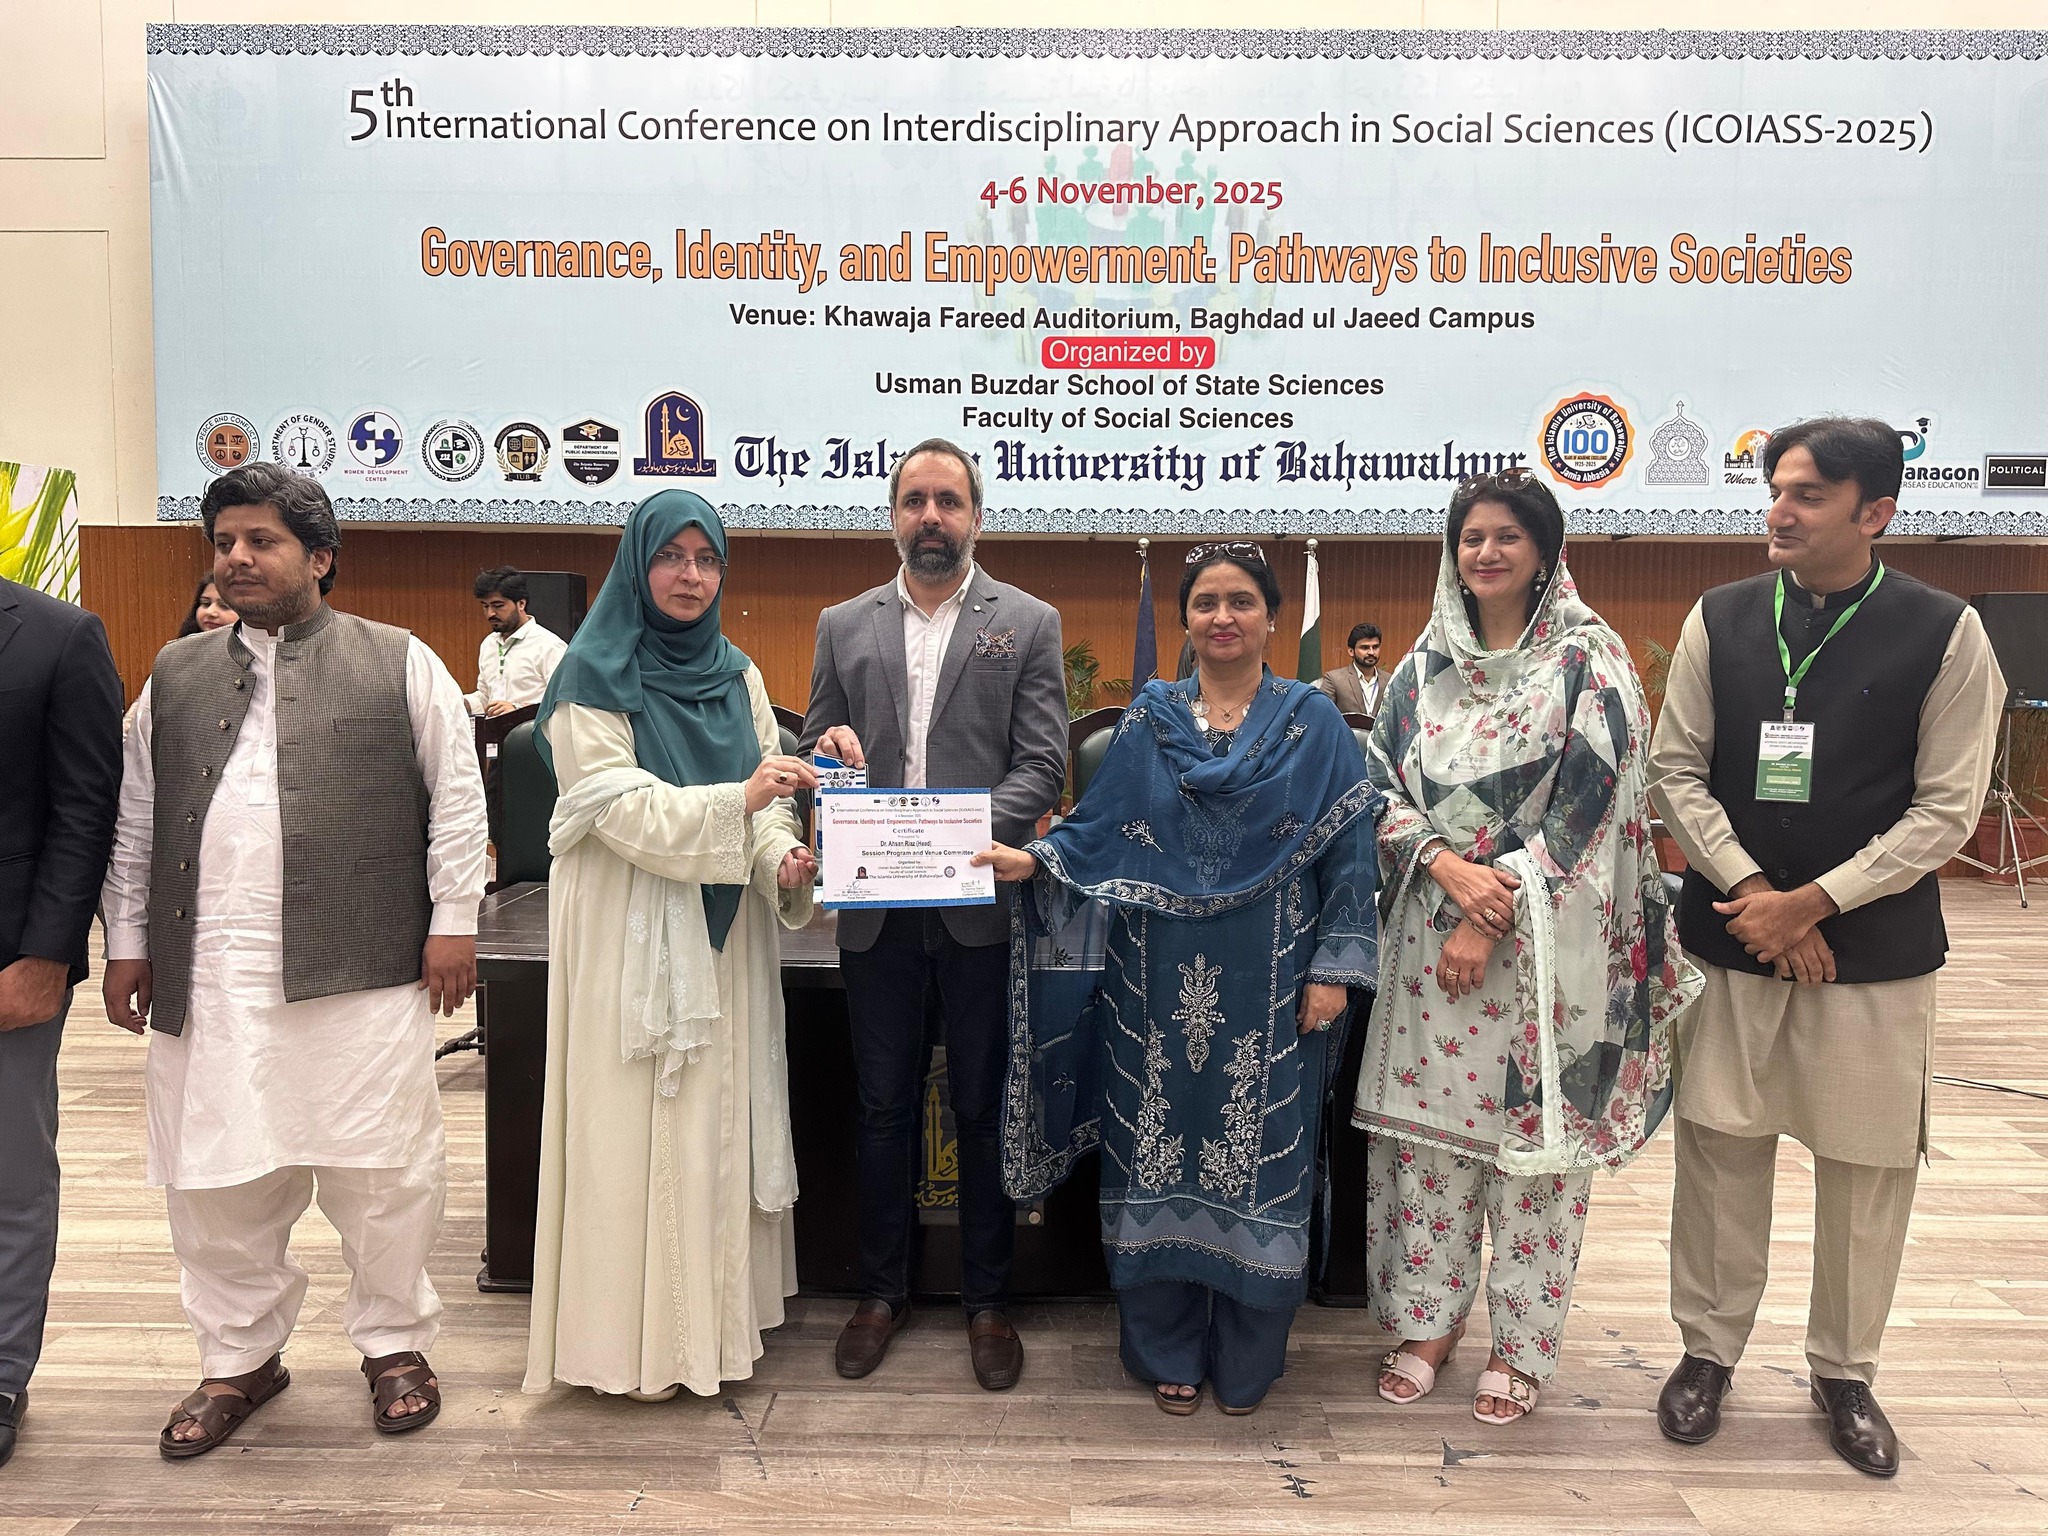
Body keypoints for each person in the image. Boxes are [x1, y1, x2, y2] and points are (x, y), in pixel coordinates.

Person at [100, 462, 488, 1459]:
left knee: (382, 1168)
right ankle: (238, 1356)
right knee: (215, 1174)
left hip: (365, 965)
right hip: (211, 972)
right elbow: (134, 822)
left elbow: (456, 800)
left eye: (260, 541)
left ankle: (393, 1343)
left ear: (319, 557)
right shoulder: (174, 674)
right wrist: (128, 943)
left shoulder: (397, 659)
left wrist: (454, 921)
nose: (236, 558)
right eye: (224, 542)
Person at [1648, 417, 2004, 1478]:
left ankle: (1844, 1372)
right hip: (1733, 935)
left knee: (1865, 1164)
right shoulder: (1720, 616)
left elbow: (1947, 812)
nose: (1780, 510)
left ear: (1875, 512)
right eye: (1775, 489)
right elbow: (1674, 772)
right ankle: (1706, 1353)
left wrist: (1814, 903)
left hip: (1873, 951)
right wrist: (1758, 894)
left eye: (1806, 494)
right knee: (1719, 1150)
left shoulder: (1946, 631)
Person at [979, 542, 1379, 1415]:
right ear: (1186, 618)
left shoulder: (1314, 724)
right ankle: (1165, 1345)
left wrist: (1334, 970)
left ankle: (1246, 1356)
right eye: (1205, 603)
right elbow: (1096, 831)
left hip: (1276, 981)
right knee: (1152, 1147)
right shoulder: (1149, 721)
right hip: (1153, 981)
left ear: (1271, 617)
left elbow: (1350, 854)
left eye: (1241, 601)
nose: (1222, 617)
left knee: (1263, 1154)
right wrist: (1033, 861)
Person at [1353, 471, 1699, 1426]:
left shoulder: (1589, 660)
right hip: (1428, 938)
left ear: (1545, 550)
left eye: (1507, 535)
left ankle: (1522, 1343)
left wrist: (1487, 908)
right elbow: (1374, 788)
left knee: (1536, 1153)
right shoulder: (1423, 667)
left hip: (1550, 950)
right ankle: (1428, 1322)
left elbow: (1592, 808)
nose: (1486, 552)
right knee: (1428, 1143)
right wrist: (1441, 866)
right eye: (1471, 537)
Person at [523, 490, 818, 1402]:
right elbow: (615, 808)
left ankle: (712, 1334)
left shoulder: (739, 674)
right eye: (671, 557)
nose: (691, 576)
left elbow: (768, 803)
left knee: (715, 1121)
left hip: (724, 935)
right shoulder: (589, 673)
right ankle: (631, 1348)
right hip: (632, 931)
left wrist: (782, 857)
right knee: (632, 1128)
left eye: (707, 559)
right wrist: (744, 804)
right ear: (636, 563)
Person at [798, 437, 1066, 1391]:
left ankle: (987, 1301)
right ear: (893, 516)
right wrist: (827, 758)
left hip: (978, 904)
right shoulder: (843, 624)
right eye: (915, 500)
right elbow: (815, 750)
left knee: (983, 1106)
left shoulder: (1027, 623)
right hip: (875, 911)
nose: (931, 517)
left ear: (976, 517)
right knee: (881, 1106)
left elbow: (1042, 766)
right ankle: (882, 1293)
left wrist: (948, 834)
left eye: (948, 501)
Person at [0, 577, 122, 1470]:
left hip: (7, 960)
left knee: (9, 1176)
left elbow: (86, 809)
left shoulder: (59, 635)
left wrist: (48, 954)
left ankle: (2, 1372)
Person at [464, 566, 566, 718]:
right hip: (494, 730)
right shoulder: (488, 644)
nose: (490, 613)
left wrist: (517, 708)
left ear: (521, 604)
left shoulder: (549, 645)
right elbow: (485, 696)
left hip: (531, 731)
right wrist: (460, 703)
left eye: (498, 606)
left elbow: (562, 701)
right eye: (485, 606)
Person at [1315, 622, 1388, 717]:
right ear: (1351, 651)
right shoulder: (1334, 679)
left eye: (1375, 647)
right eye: (1365, 648)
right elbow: (1321, 713)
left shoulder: (1390, 681)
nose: (1371, 652)